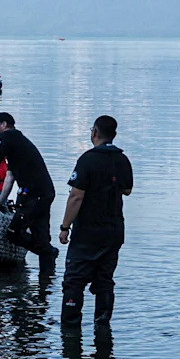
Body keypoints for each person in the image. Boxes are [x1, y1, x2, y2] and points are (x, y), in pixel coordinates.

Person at [59, 114, 133, 327]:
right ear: (114, 135)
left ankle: (70, 326)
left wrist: (65, 227)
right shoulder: (123, 159)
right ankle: (103, 322)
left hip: (87, 232)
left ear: (94, 133)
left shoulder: (87, 159)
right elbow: (127, 190)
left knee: (74, 280)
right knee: (104, 280)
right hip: (114, 231)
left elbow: (76, 196)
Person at [0, 111, 58, 276]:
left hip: (35, 196)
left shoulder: (10, 137)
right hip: (44, 193)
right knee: (41, 236)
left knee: (13, 233)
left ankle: (48, 252)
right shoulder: (17, 143)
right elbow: (10, 176)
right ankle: (46, 281)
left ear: (4, 125)